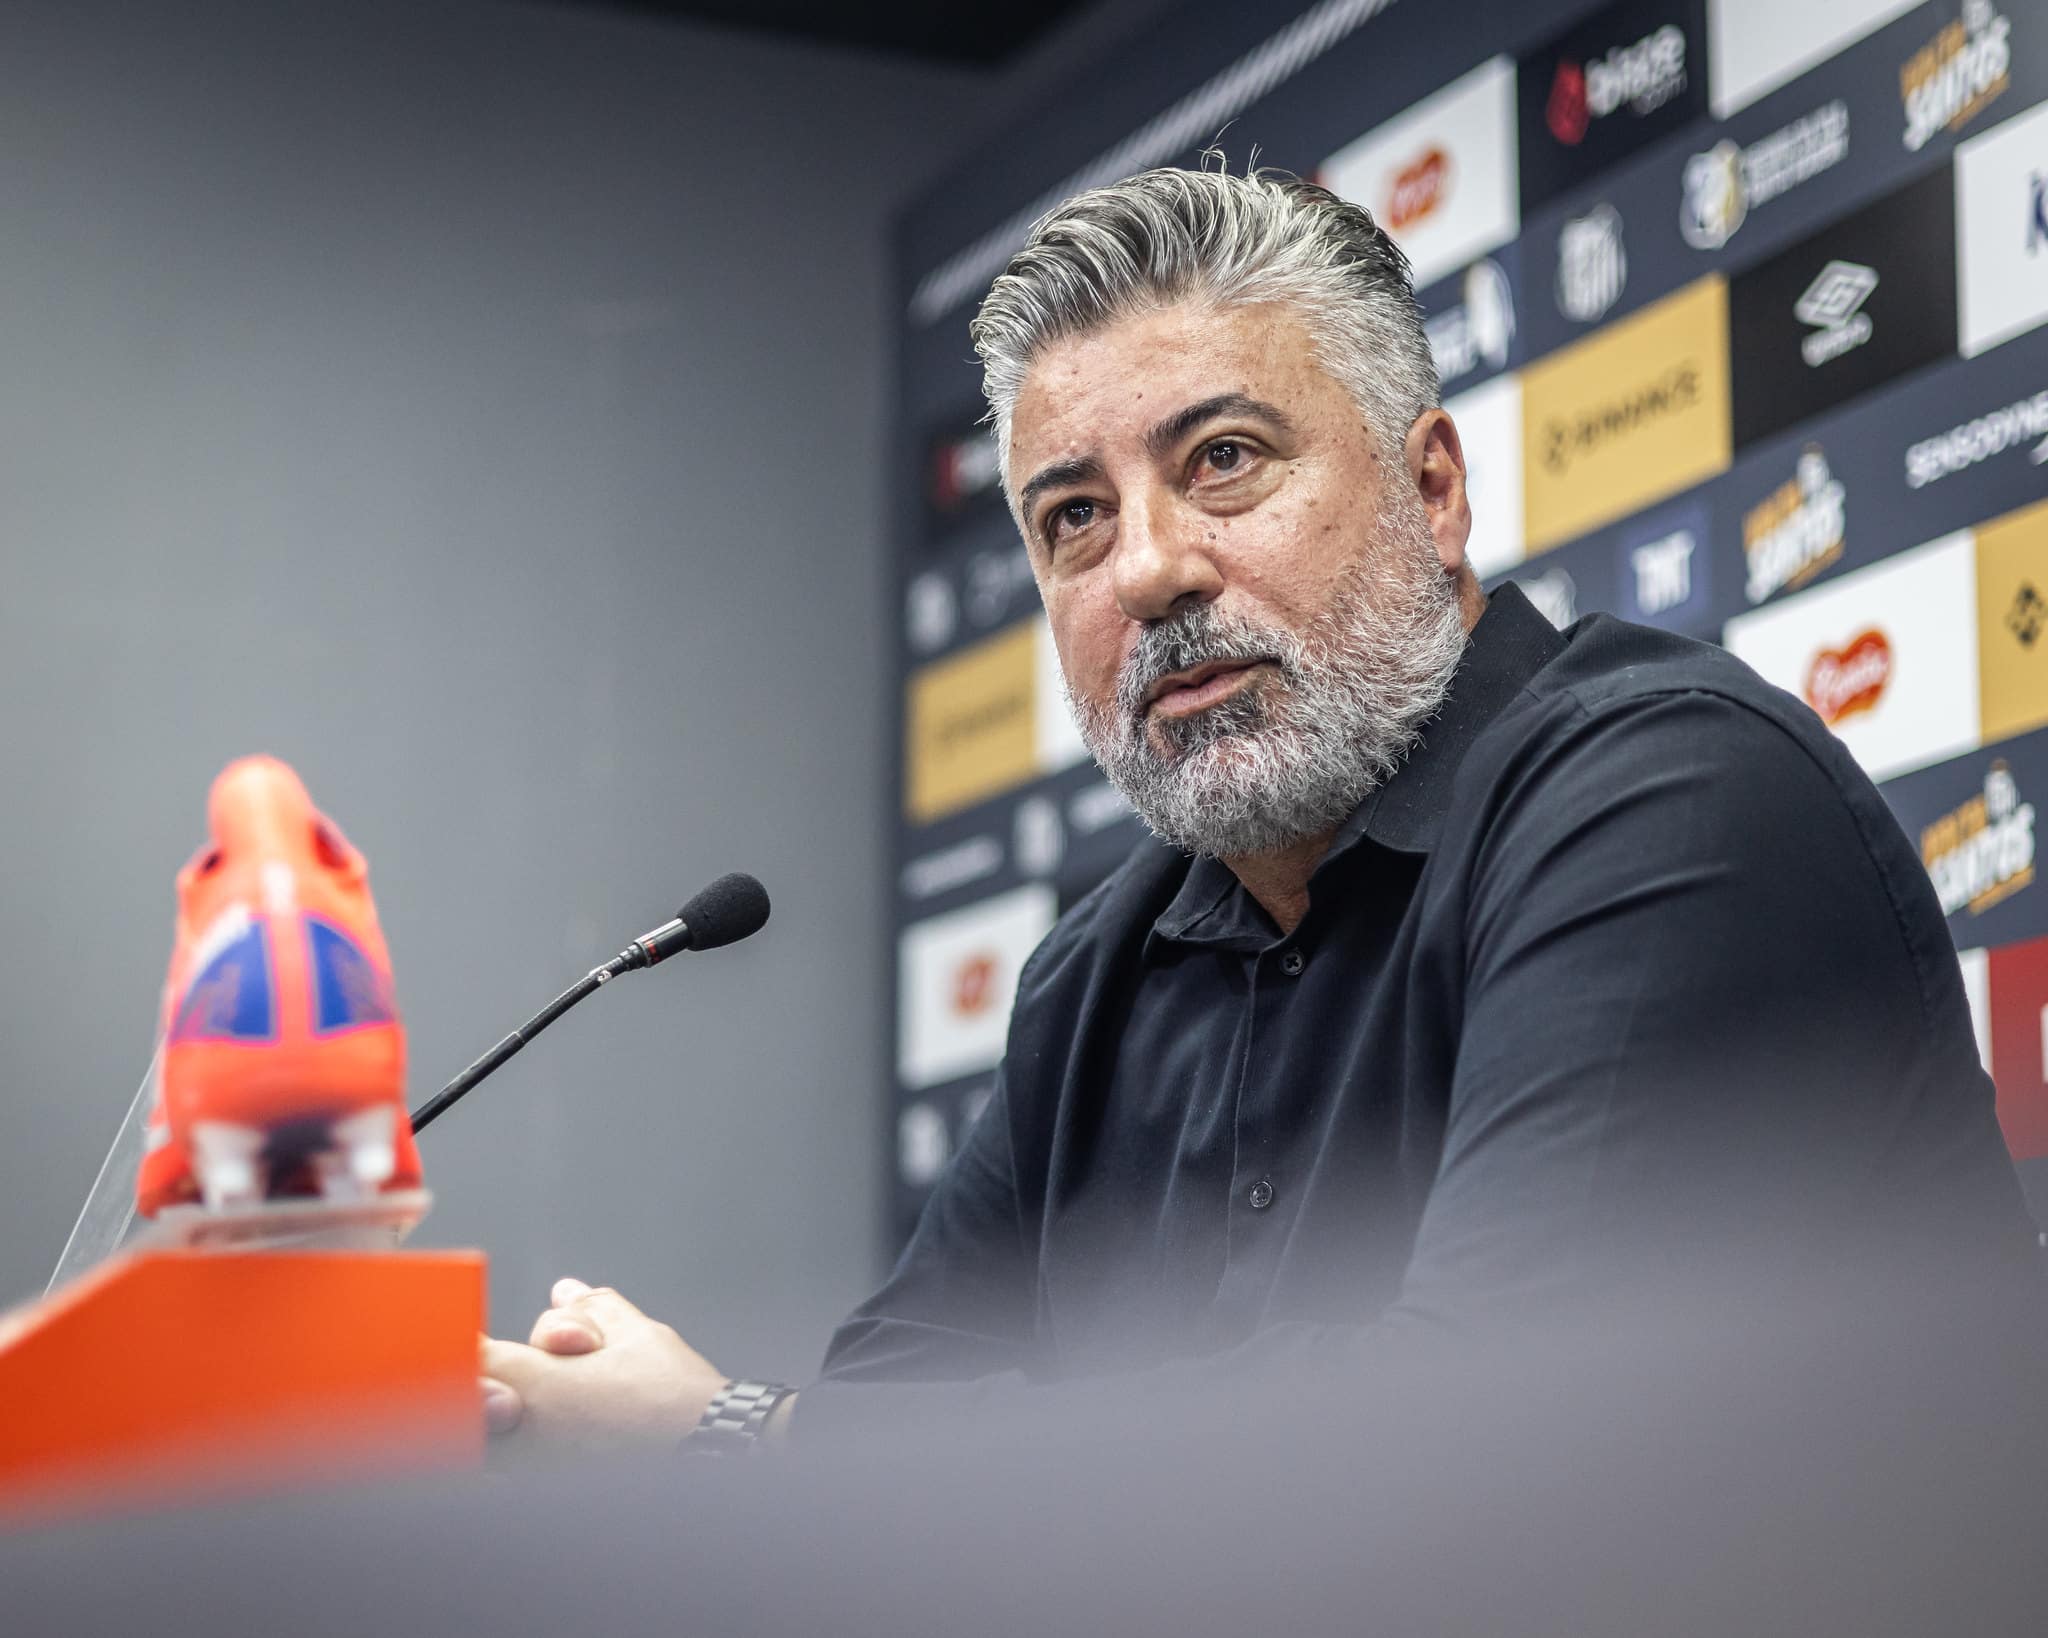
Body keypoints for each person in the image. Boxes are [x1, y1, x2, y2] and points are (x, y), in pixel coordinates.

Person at [480, 164, 2038, 1453]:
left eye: (1223, 460)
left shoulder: (1675, 796)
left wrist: (731, 1432)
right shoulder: (1096, 973)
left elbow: (1462, 1451)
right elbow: (894, 1457)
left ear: (1434, 490)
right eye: (1073, 516)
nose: (1145, 568)